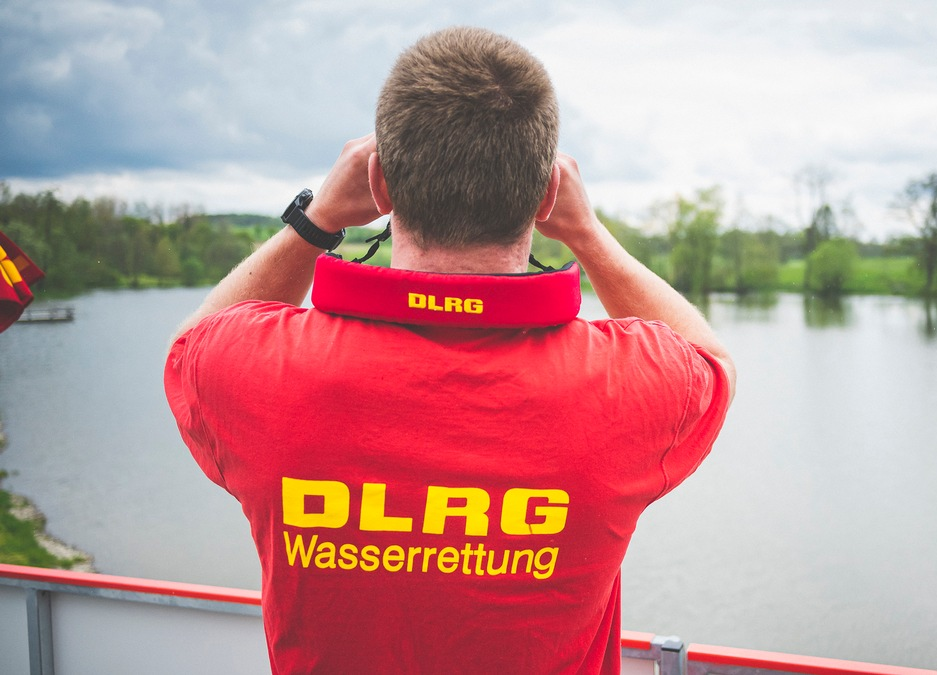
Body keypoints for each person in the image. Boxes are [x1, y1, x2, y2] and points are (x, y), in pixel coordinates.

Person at [164, 26, 734, 674]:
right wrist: (588, 235)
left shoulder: (264, 370)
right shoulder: (622, 384)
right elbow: (711, 361)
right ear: (547, 194)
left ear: (378, 182)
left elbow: (190, 348)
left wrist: (315, 221)